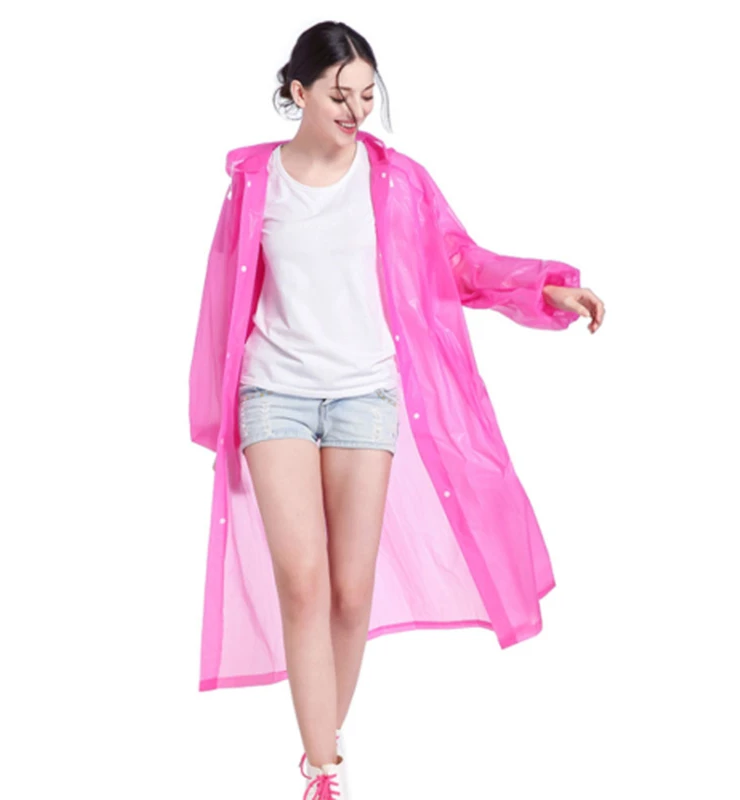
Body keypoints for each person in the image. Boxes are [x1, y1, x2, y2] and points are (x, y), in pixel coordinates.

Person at [190, 20, 605, 800]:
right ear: (297, 93)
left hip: (364, 396)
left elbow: (457, 261)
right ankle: (325, 774)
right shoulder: (255, 182)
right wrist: (212, 410)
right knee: (303, 582)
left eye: (367, 95)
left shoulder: (397, 181)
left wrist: (543, 286)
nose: (356, 111)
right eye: (338, 96)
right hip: (274, 394)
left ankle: (322, 740)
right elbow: (221, 297)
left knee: (351, 593)